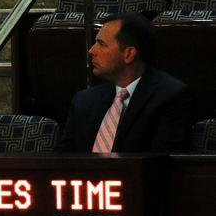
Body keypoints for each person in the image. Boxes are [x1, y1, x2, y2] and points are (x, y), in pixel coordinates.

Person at [57, 12, 193, 153]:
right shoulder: (84, 101)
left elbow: (161, 164)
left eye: (101, 44)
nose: (91, 51)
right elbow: (63, 160)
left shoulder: (171, 97)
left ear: (129, 54)